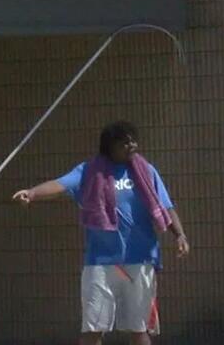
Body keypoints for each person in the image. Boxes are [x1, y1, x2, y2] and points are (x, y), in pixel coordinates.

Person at [12, 121, 188, 345]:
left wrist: (179, 235)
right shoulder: (89, 171)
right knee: (93, 329)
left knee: (139, 328)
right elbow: (60, 185)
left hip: (140, 260)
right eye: (125, 142)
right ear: (110, 146)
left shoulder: (146, 171)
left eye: (133, 140)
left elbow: (165, 206)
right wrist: (32, 193)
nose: (131, 145)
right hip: (100, 263)